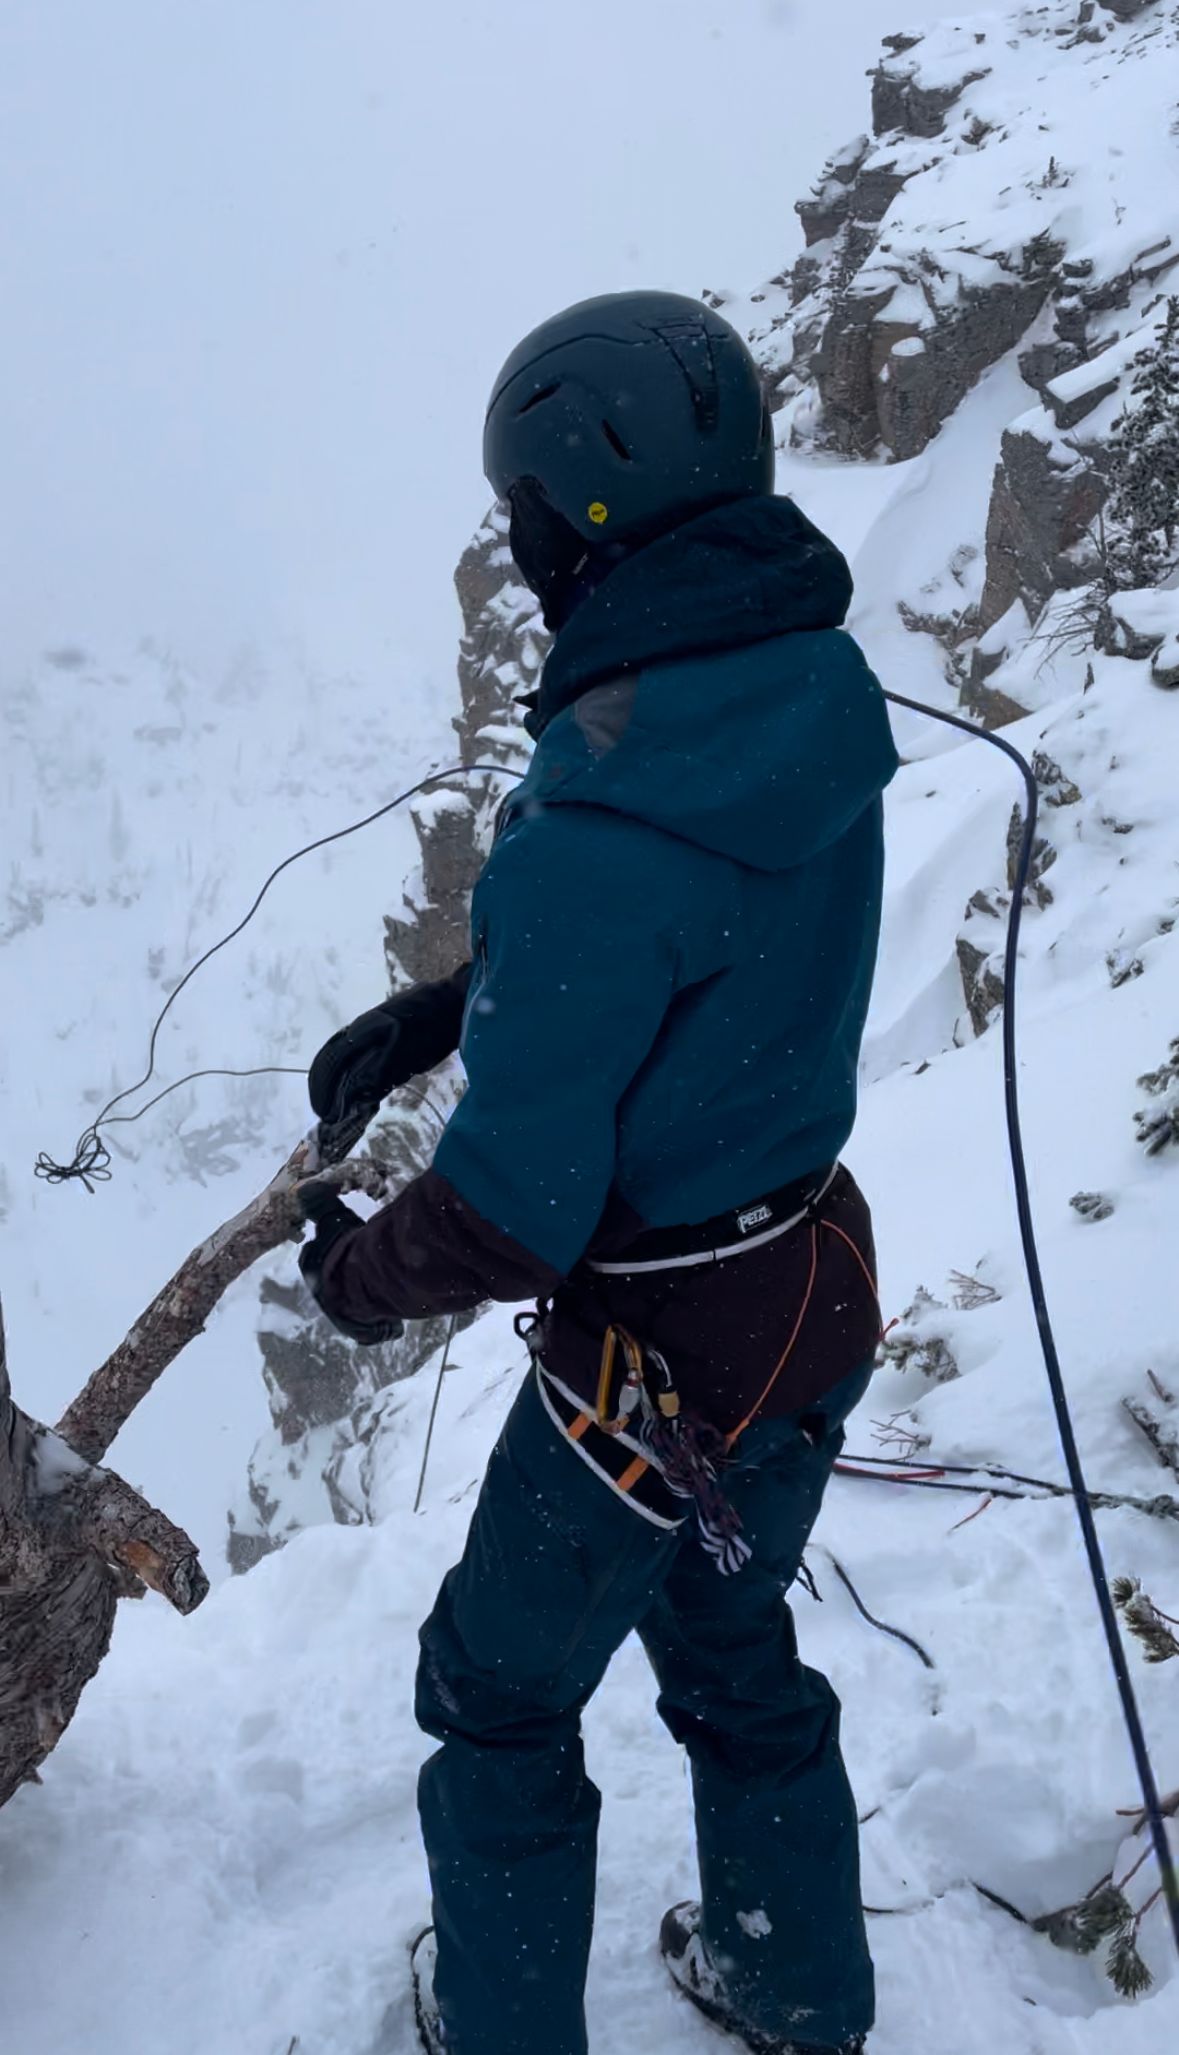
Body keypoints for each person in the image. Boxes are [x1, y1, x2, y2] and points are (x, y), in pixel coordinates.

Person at [298, 291, 899, 2055]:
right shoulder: (809, 681)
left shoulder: (591, 805)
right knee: (733, 1658)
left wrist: (356, 1279)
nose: (520, 548)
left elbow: (507, 1210)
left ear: (581, 514)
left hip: (656, 1366)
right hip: (812, 1278)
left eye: (525, 515)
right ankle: (795, 1988)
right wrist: (443, 1015)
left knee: (492, 1699)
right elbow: (705, 931)